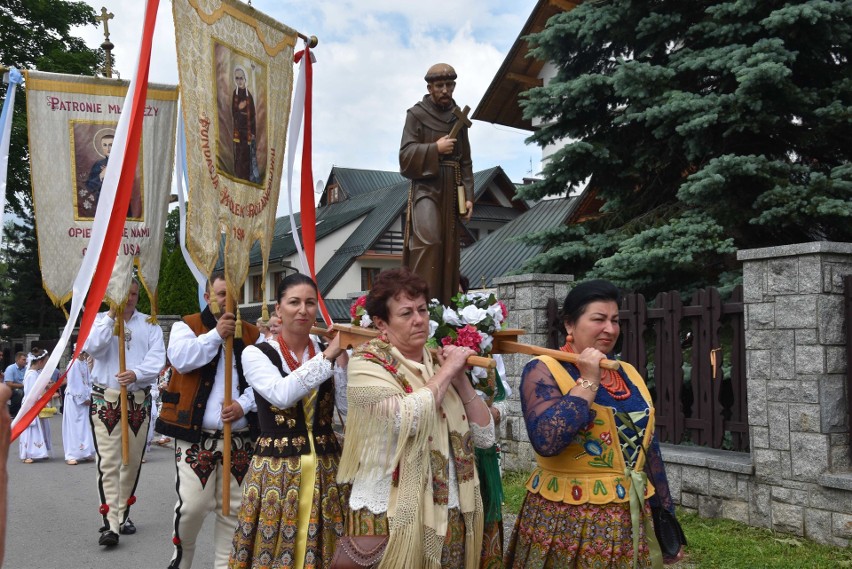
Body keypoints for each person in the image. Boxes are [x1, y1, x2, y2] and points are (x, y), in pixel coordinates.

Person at [504, 280, 684, 568]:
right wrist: (588, 380)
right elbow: (547, 440)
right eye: (598, 319)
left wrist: (666, 520)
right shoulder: (543, 369)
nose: (610, 329)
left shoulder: (628, 373)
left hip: (631, 518)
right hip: (567, 517)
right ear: (569, 325)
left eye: (615, 320)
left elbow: (649, 453)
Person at [337, 267, 493, 568]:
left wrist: (460, 379)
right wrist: (448, 372)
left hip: (449, 507)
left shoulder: (437, 363)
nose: (419, 320)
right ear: (382, 322)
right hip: (390, 511)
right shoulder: (366, 363)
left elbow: (485, 437)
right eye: (406, 313)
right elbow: (406, 419)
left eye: (422, 309)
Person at [229, 273, 348, 569]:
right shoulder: (256, 354)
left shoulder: (326, 352)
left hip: (326, 467)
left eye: (310, 303)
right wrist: (331, 354)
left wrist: (345, 361)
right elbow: (281, 395)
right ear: (278, 309)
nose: (303, 310)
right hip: (276, 470)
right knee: (276, 549)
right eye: (294, 302)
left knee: (324, 549)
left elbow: (345, 407)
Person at [156, 272, 261, 569]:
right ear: (207, 297)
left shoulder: (253, 333)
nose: (227, 299)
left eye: (233, 293)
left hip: (240, 439)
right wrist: (216, 334)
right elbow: (181, 359)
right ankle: (181, 560)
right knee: (192, 506)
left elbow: (265, 379)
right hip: (196, 436)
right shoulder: (185, 325)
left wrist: (244, 403)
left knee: (234, 511)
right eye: (221, 293)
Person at [83, 279, 165, 547]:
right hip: (105, 399)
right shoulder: (97, 320)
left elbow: (157, 359)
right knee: (108, 461)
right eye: (123, 294)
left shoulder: (150, 323)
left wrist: (136, 373)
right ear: (110, 295)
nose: (129, 298)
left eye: (132, 293)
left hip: (138, 400)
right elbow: (93, 347)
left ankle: (121, 514)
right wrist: (110, 316)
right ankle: (111, 524)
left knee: (130, 462)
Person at [400, 63, 474, 305]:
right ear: (430, 87)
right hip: (426, 188)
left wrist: (470, 197)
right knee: (429, 241)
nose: (445, 90)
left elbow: (465, 161)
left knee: (449, 251)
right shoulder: (416, 115)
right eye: (440, 85)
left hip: (452, 189)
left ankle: (445, 308)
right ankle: (420, 305)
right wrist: (435, 149)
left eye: (449, 85)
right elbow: (405, 157)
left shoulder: (458, 118)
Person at [18, 348, 51, 464]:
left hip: (34, 404)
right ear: (40, 362)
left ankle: (38, 451)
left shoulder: (36, 373)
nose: (46, 363)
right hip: (30, 405)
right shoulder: (31, 374)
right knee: (30, 429)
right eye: (46, 361)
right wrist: (40, 401)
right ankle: (27, 453)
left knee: (38, 428)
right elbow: (31, 393)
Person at [62, 350, 96, 465]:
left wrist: (89, 395)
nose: (86, 355)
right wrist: (82, 398)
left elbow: (88, 381)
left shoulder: (84, 363)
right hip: (74, 399)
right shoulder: (74, 363)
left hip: (84, 398)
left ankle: (85, 452)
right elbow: (74, 383)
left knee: (84, 426)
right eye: (85, 353)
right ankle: (71, 454)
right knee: (73, 426)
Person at [231, 65, 258, 183]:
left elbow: (253, 116)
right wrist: (239, 107)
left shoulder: (249, 96)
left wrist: (253, 132)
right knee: (239, 156)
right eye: (237, 78)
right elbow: (233, 113)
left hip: (247, 132)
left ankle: (246, 179)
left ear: (245, 79)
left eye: (241, 78)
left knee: (247, 157)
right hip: (238, 131)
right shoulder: (235, 94)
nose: (239, 81)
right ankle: (238, 178)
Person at [3, 352, 26, 418]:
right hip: (9, 390)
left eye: (26, 360)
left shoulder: (26, 369)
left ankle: (21, 411)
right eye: (23, 360)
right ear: (17, 360)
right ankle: (11, 412)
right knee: (19, 392)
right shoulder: (10, 368)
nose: (25, 361)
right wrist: (23, 385)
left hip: (20, 388)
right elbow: (9, 384)